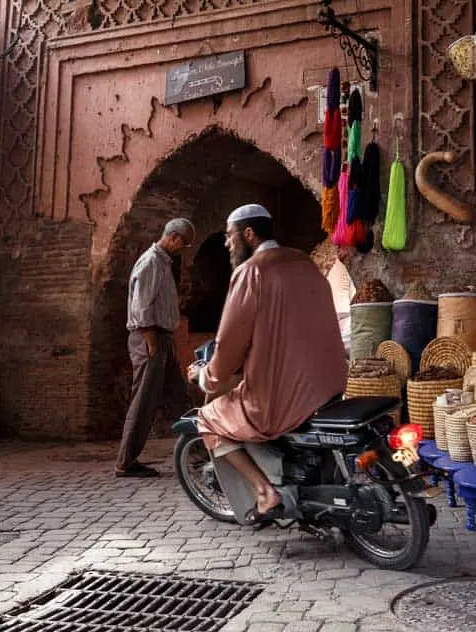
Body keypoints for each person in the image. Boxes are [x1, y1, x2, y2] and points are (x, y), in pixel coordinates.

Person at [188, 204, 347, 525]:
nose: (227, 244)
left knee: (208, 417)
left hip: (283, 397)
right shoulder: (304, 263)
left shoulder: (251, 272)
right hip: (331, 383)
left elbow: (229, 343)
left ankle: (265, 493)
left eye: (230, 236)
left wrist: (206, 376)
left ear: (249, 233)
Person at [115, 217, 196, 478]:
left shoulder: (163, 262)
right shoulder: (151, 262)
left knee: (178, 396)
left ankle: (198, 453)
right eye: (183, 244)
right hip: (149, 338)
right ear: (172, 237)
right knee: (144, 400)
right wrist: (150, 341)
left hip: (163, 338)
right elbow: (141, 307)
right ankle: (126, 462)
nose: (182, 249)